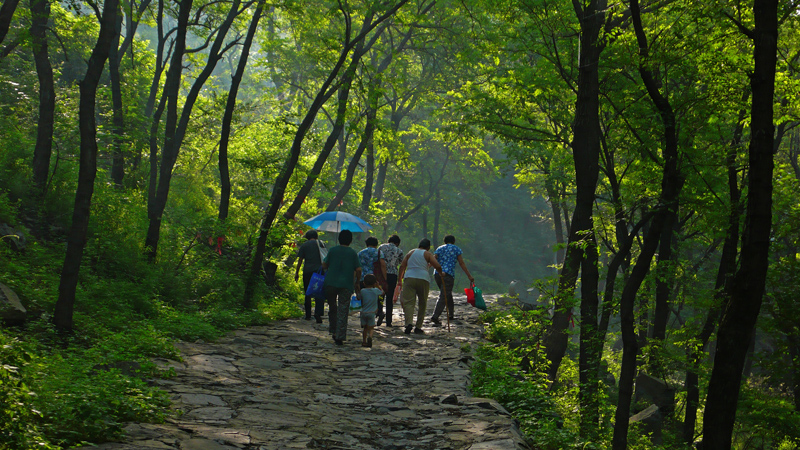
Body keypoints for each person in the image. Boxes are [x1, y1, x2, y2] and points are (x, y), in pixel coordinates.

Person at [322, 230, 362, 345]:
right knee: (343, 309)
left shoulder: (333, 250)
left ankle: (333, 330)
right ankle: (339, 335)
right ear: (350, 240)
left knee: (332, 307)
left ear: (339, 239)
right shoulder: (353, 253)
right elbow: (358, 269)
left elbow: (324, 264)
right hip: (346, 285)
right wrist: (357, 282)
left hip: (330, 283)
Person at [397, 238, 443, 335]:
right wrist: (441, 273)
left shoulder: (411, 252)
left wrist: (399, 280)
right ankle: (418, 327)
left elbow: (402, 266)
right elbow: (437, 266)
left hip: (409, 278)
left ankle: (408, 323)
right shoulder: (428, 254)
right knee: (422, 303)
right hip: (423, 279)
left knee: (408, 302)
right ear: (428, 247)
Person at [430, 235, 474, 326]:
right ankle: (435, 316)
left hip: (437, 274)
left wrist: (426, 267)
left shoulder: (440, 248)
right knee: (444, 295)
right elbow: (461, 263)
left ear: (445, 241)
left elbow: (434, 259)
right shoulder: (456, 249)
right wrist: (469, 275)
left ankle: (451, 314)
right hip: (448, 274)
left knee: (447, 293)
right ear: (453, 241)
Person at [294, 229, 326, 322]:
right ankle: (318, 313)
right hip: (319, 271)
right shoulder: (321, 243)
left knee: (307, 292)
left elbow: (300, 260)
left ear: (307, 237)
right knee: (319, 292)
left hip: (307, 270)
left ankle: (308, 314)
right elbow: (325, 256)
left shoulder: (305, 245)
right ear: (316, 236)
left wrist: (297, 272)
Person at [358, 237, 387, 325]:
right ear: (376, 244)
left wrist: (356, 279)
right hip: (375, 279)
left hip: (363, 278)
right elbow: (382, 265)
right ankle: (380, 311)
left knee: (363, 297)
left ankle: (364, 317)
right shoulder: (378, 252)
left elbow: (357, 267)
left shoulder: (360, 253)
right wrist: (385, 278)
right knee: (379, 296)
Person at [377, 235, 403, 327]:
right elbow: (400, 262)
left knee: (380, 294)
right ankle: (389, 321)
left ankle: (379, 311)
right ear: (397, 243)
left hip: (381, 274)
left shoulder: (381, 247)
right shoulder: (399, 251)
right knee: (389, 297)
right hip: (393, 275)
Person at [359, 274, 383, 348]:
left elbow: (359, 297)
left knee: (365, 328)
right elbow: (382, 292)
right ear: (374, 283)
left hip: (363, 312)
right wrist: (378, 286)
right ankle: (370, 337)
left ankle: (364, 341)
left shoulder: (362, 291)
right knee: (371, 328)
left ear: (364, 283)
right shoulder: (375, 291)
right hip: (372, 313)